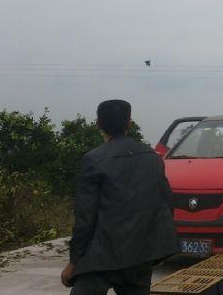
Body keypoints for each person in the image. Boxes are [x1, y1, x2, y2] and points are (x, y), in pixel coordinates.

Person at [60, 99, 178, 294]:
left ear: (98, 124)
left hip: (102, 256)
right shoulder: (152, 157)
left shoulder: (93, 160)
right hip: (140, 255)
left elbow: (85, 218)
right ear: (129, 123)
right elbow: (167, 203)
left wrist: (74, 262)